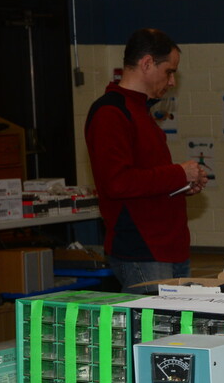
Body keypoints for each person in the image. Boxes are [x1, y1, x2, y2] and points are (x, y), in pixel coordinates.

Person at [84, 28, 207, 293]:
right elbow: (117, 183)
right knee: (153, 322)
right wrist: (178, 174)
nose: (172, 81)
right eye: (169, 72)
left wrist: (182, 185)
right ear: (147, 63)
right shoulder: (111, 112)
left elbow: (145, 180)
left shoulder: (140, 110)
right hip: (142, 250)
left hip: (168, 247)